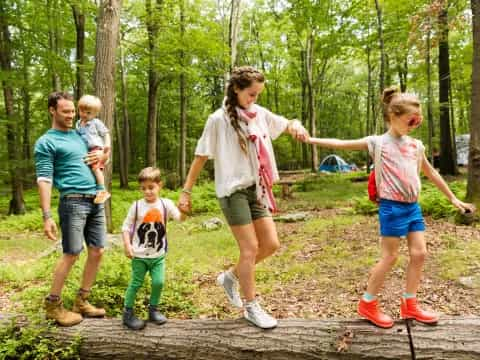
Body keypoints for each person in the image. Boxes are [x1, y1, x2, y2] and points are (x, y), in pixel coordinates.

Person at [305, 87, 476, 328]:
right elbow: (341, 143)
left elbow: (431, 173)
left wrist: (453, 199)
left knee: (420, 254)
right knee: (390, 257)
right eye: (410, 120)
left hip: (412, 207)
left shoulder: (416, 146)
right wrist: (311, 139)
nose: (414, 125)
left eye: (418, 121)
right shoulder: (378, 143)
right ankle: (368, 302)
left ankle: (410, 304)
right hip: (392, 207)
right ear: (393, 116)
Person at [178, 66, 308, 329]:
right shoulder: (218, 120)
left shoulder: (258, 114)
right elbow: (201, 156)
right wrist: (186, 191)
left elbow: (287, 123)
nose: (254, 99)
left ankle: (230, 277)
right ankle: (251, 307)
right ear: (236, 89)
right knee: (249, 249)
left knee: (270, 244)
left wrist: (297, 126)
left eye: (258, 95)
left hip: (256, 189)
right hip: (232, 191)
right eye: (251, 94)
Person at [34, 91, 109, 326]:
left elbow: (99, 152)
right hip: (73, 201)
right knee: (72, 253)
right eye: (65, 111)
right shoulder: (46, 141)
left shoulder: (80, 133)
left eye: (72, 111)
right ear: (52, 111)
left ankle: (82, 301)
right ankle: (53, 305)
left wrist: (102, 155)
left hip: (96, 200)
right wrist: (46, 216)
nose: (71, 115)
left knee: (97, 251)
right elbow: (44, 179)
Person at [121, 167, 186, 330]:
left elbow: (180, 218)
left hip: (158, 255)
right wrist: (127, 245)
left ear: (159, 185)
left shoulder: (166, 204)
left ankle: (153, 310)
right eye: (144, 188)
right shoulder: (136, 206)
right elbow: (125, 227)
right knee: (136, 283)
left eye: (151, 187)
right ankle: (127, 313)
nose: (148, 192)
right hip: (139, 255)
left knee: (159, 282)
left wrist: (185, 210)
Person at [76, 95, 111, 204]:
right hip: (86, 149)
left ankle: (102, 190)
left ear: (95, 114)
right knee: (90, 168)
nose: (84, 114)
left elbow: (106, 134)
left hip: (96, 148)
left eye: (88, 113)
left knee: (96, 168)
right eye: (82, 111)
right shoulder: (78, 124)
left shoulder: (96, 122)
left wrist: (107, 145)